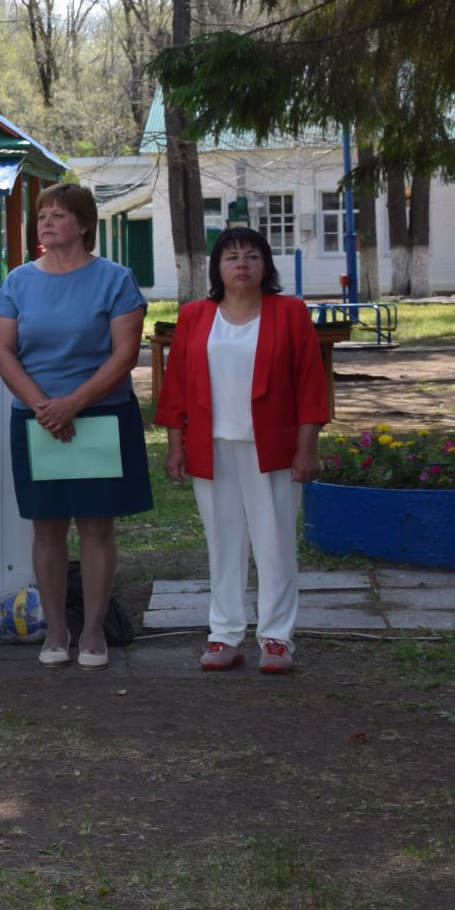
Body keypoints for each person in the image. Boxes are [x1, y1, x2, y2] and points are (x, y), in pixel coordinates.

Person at [0, 182, 151, 670]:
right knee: (48, 527)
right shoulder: (17, 281)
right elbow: (2, 351)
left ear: (83, 225)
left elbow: (124, 354)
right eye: (42, 215)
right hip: (38, 417)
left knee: (98, 526)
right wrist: (44, 405)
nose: (46, 222)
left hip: (101, 414)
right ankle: (56, 629)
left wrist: (73, 404)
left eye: (58, 215)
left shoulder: (115, 279)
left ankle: (96, 630)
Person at [156, 227, 327, 674]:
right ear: (217, 267)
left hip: (272, 448)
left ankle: (276, 638)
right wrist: (176, 444)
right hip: (211, 447)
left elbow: (311, 384)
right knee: (223, 542)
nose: (241, 265)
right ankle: (225, 634)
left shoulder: (290, 313)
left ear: (266, 265)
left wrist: (306, 449)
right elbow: (175, 387)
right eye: (231, 258)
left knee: (275, 543)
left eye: (252, 257)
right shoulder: (195, 315)